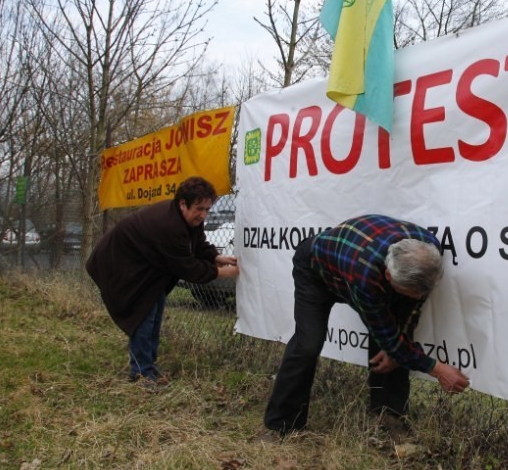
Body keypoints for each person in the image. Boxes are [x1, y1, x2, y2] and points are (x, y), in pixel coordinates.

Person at [264, 214, 470, 437]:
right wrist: (437, 369)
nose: (420, 297)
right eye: (413, 293)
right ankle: (282, 425)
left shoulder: (428, 251)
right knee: (308, 344)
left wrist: (397, 347)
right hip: (316, 272)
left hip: (354, 261)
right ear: (389, 277)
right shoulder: (365, 278)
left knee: (395, 341)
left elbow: (412, 308)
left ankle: (389, 418)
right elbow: (389, 336)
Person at [86, 176, 239, 387]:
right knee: (143, 315)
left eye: (206, 209)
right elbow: (188, 268)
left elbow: (198, 244)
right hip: (121, 264)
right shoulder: (170, 226)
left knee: (154, 312)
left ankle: (148, 366)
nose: (202, 215)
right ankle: (141, 373)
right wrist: (224, 272)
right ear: (182, 203)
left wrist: (216, 257)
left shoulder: (187, 218)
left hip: (147, 268)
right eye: (198, 208)